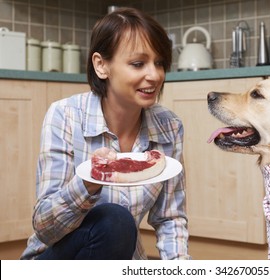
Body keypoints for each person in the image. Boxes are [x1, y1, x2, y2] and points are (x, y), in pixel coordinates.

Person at [21, 7, 190, 260]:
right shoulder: (65, 115)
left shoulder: (169, 126)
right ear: (101, 65)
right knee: (115, 221)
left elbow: (170, 218)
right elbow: (45, 227)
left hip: (121, 257)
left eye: (160, 63)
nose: (154, 75)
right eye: (138, 64)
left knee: (119, 227)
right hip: (55, 259)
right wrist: (88, 184)